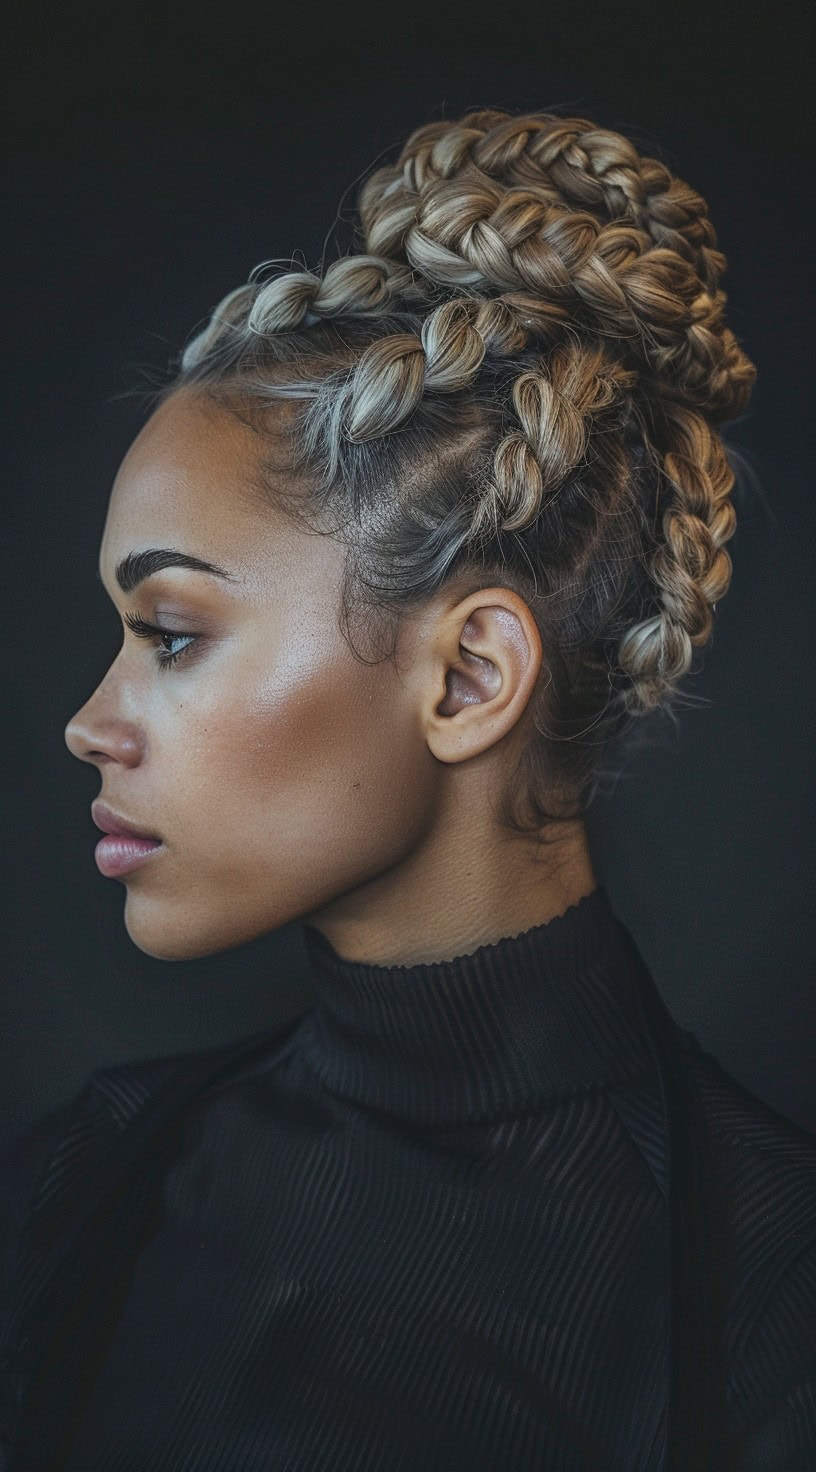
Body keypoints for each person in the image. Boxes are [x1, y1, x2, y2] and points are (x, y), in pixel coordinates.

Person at [1, 106, 814, 1470]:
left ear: (467, 679)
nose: (90, 725)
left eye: (174, 636)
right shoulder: (89, 1181)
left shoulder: (770, 1281)